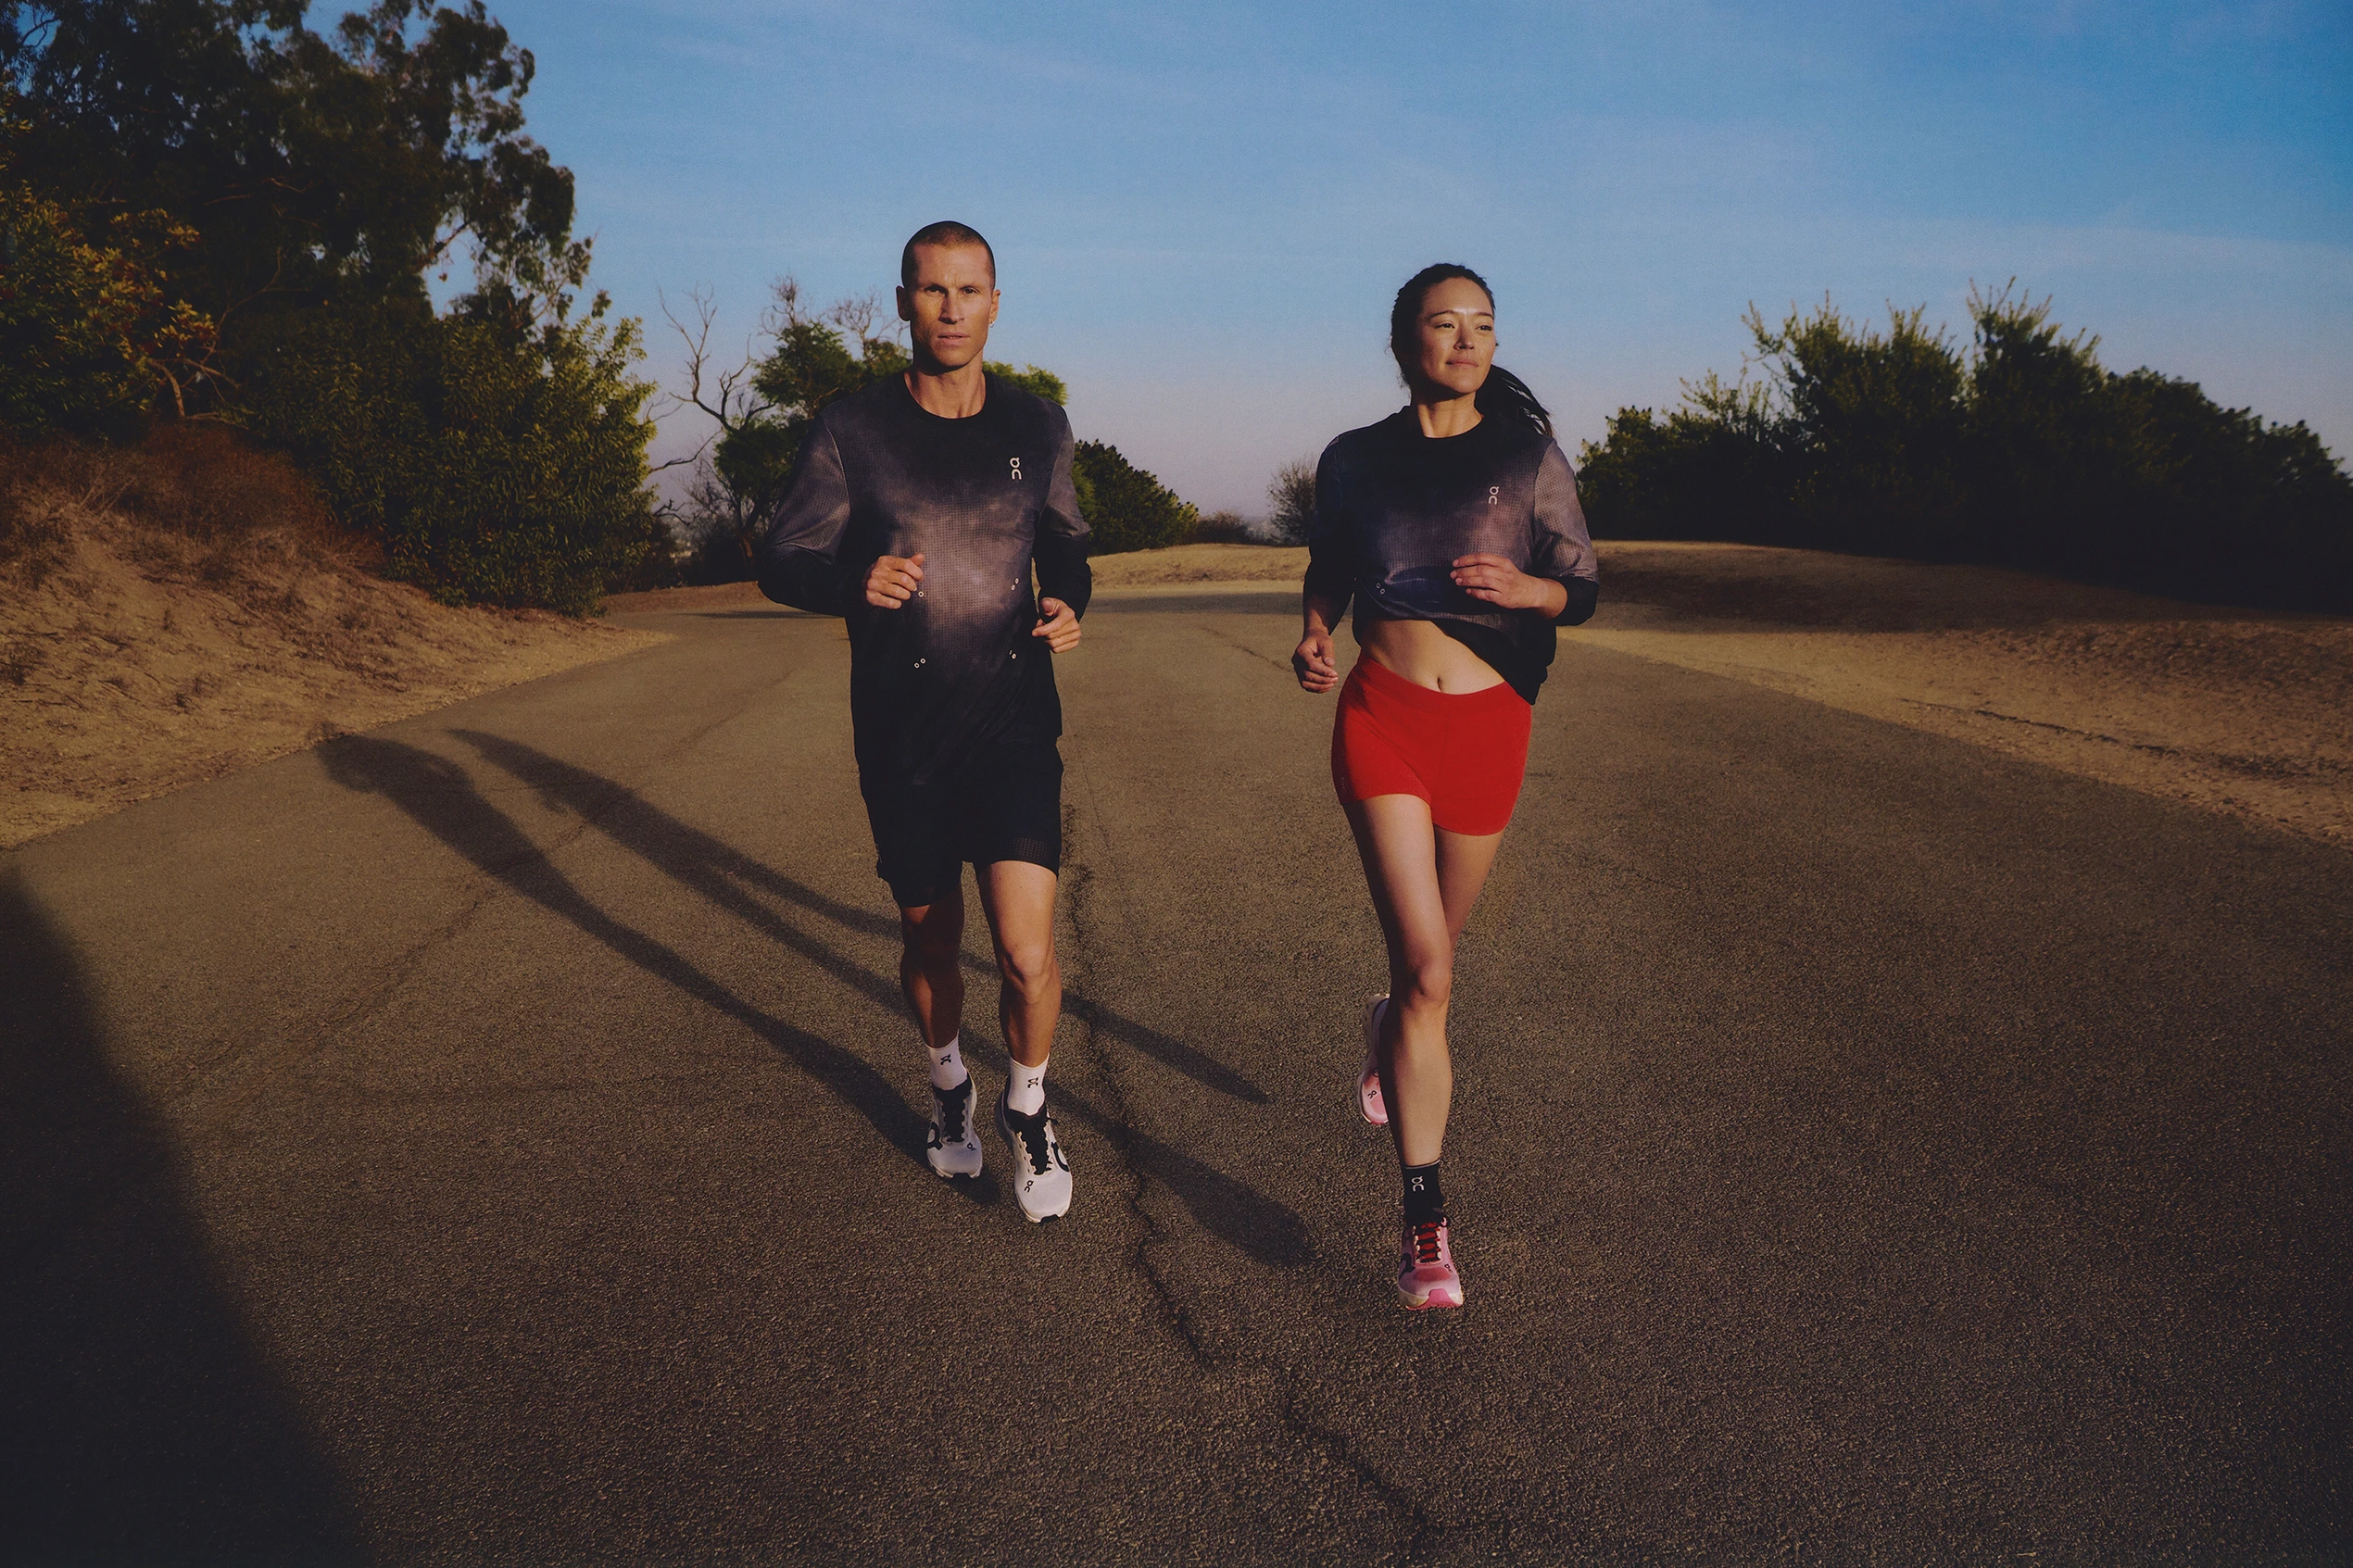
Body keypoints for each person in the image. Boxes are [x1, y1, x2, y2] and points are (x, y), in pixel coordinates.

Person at [758, 221, 1088, 1223]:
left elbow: (1066, 544)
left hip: (1015, 722)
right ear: (902, 302)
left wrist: (1067, 600)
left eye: (968, 289)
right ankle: (949, 1083)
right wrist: (849, 581)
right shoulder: (850, 428)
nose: (951, 308)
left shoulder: (1038, 424)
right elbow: (780, 556)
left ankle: (1028, 1105)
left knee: (1026, 951)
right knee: (931, 939)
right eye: (931, 289)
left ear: (996, 302)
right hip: (903, 733)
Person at [1292, 263, 1600, 1308]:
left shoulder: (1527, 458)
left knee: (1429, 975)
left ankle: (1388, 1021)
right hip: (1383, 718)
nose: (1467, 341)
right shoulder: (1354, 459)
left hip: (1489, 727)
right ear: (1403, 341)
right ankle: (1424, 1223)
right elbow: (1330, 564)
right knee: (1430, 971)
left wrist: (1528, 587)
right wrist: (1313, 629)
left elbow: (1582, 586)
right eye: (1444, 323)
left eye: (1483, 325)